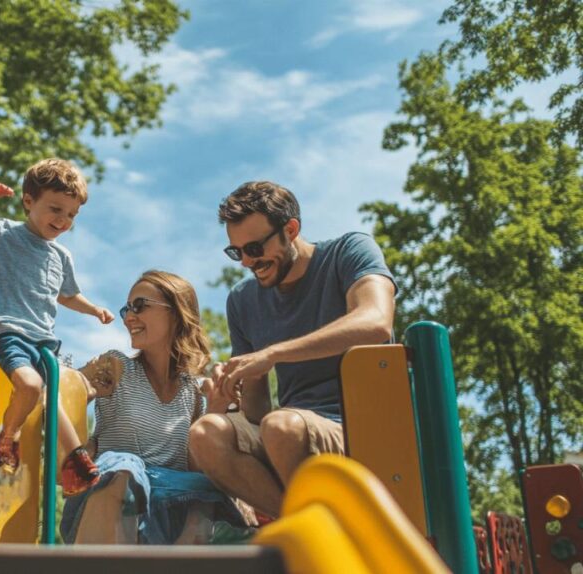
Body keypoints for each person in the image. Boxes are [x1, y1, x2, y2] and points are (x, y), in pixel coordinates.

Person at [189, 180, 396, 518]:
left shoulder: (349, 251)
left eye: (254, 248)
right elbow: (258, 414)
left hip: (362, 426)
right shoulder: (242, 300)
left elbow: (375, 322)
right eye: (236, 252)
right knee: (205, 433)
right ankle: (306, 527)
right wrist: (241, 381)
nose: (246, 262)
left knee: (281, 427)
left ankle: (315, 534)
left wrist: (273, 353)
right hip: (288, 434)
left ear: (291, 229)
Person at [0, 158, 115, 495]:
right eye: (55, 209)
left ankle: (75, 460)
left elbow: (68, 296)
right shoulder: (5, 232)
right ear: (28, 201)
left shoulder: (61, 256)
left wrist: (94, 309)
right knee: (29, 384)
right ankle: (8, 436)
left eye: (71, 215)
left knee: (50, 397)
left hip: (45, 341)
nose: (63, 220)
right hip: (9, 331)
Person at [62, 270, 247, 544]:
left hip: (166, 515)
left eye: (140, 306)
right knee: (126, 466)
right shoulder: (114, 367)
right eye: (127, 308)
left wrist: (216, 409)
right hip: (108, 501)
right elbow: (63, 392)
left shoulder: (193, 392)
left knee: (205, 490)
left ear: (176, 312)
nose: (128, 317)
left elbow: (193, 471)